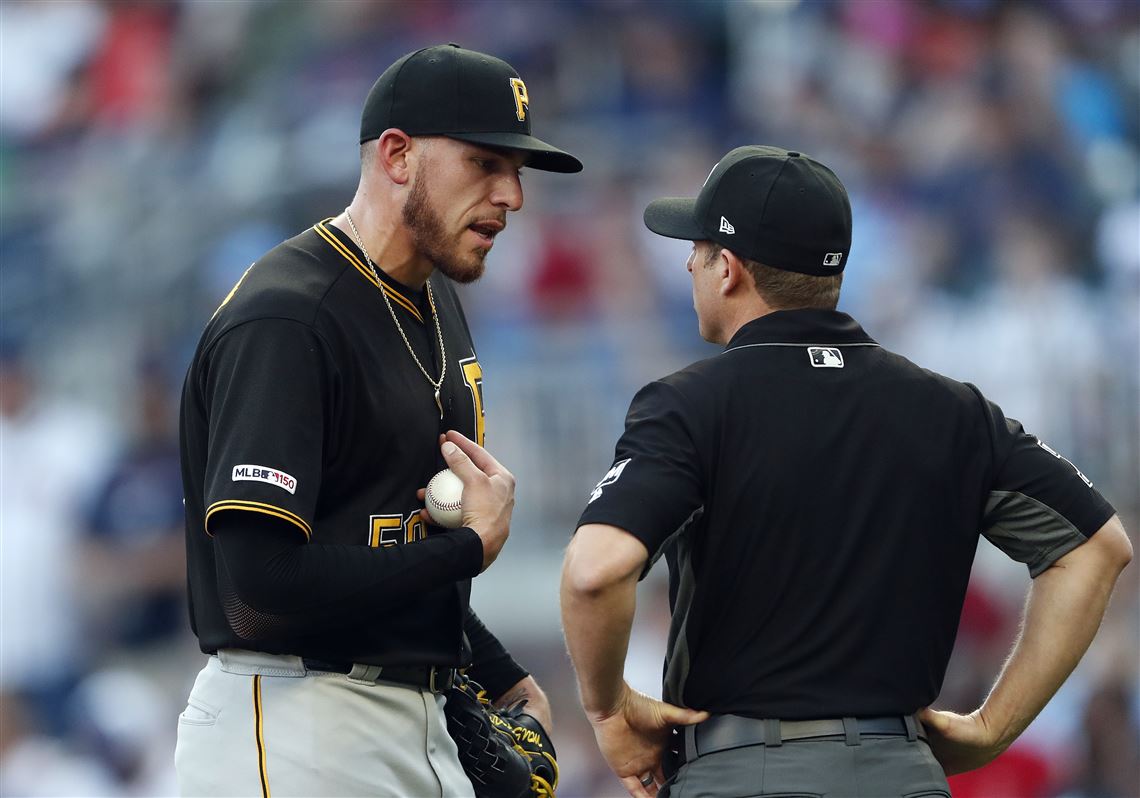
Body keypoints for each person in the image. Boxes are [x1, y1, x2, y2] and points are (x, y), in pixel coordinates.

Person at [559, 145, 1131, 798]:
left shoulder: (688, 404)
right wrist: (994, 727)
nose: (687, 261)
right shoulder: (950, 409)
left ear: (729, 269)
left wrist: (610, 711)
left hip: (746, 773)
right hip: (903, 773)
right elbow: (1096, 547)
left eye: (697, 246)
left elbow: (593, 572)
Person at [176, 44, 581, 797]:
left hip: (404, 713)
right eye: (485, 164)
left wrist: (504, 678)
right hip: (295, 719)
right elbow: (257, 587)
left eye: (518, 171)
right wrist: (464, 551)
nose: (513, 195)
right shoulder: (290, 316)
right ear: (397, 155)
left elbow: (381, 540)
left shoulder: (434, 302)